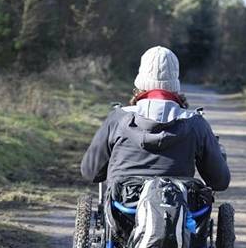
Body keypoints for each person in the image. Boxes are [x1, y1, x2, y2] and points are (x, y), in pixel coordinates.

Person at [80, 46, 230, 191]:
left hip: (124, 208)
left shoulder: (118, 118)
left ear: (140, 82)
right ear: (174, 83)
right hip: (174, 208)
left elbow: (90, 172)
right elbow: (219, 182)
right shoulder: (195, 123)